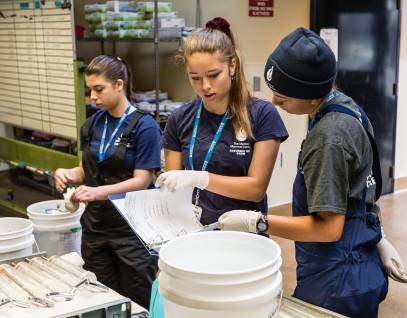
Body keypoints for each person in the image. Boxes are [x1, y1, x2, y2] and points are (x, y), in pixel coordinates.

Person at [218, 27, 407, 317]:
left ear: (310, 95)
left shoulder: (328, 138)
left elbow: (328, 229)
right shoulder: (347, 107)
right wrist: (377, 237)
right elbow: (358, 187)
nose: (274, 102)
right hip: (358, 264)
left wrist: (257, 222)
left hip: (336, 279)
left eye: (282, 95)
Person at [155, 17, 288, 225]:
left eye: (213, 75)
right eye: (195, 78)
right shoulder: (179, 119)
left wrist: (201, 178)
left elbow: (255, 189)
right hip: (194, 229)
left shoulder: (262, 115)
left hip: (244, 232)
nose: (205, 86)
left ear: (232, 66)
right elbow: (174, 189)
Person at [54, 55, 161, 308]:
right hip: (96, 230)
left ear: (119, 85)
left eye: (99, 89)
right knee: (102, 299)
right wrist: (67, 173)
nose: (93, 96)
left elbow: (142, 180)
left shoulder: (144, 127)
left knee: (137, 301)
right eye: (90, 90)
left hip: (132, 232)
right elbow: (85, 169)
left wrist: (98, 192)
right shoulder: (91, 125)